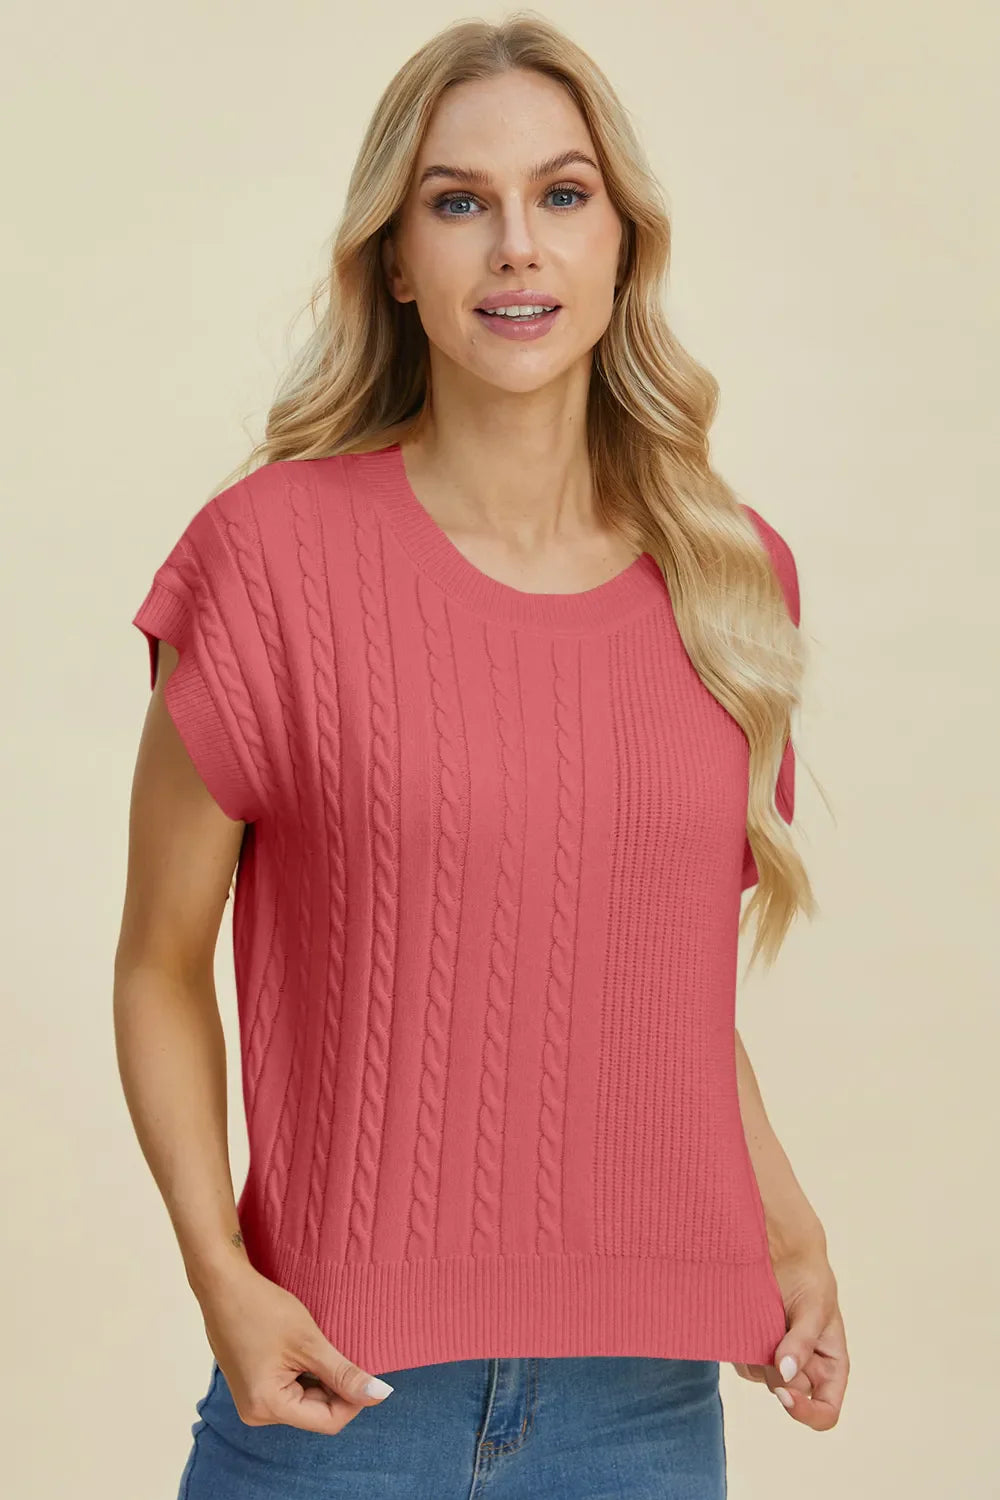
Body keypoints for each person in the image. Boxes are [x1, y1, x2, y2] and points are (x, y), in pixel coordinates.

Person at [113, 13, 849, 1498]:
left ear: (622, 244)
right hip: (338, 1402)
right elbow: (158, 962)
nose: (518, 245)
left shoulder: (731, 575)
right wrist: (218, 1276)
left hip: (647, 1409)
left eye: (563, 195)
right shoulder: (269, 564)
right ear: (397, 258)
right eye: (460, 202)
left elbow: (645, 984)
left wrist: (789, 1229)